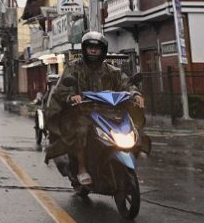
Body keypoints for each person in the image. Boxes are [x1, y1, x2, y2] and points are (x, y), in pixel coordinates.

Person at [45, 31, 144, 186]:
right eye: (90, 47)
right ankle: (82, 168)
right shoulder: (74, 68)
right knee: (81, 130)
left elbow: (127, 84)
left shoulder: (112, 71)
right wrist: (71, 96)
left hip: (109, 112)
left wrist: (135, 94)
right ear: (84, 49)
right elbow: (62, 88)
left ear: (102, 50)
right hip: (82, 112)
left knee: (133, 128)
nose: (93, 51)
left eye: (96, 48)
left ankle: (128, 156)